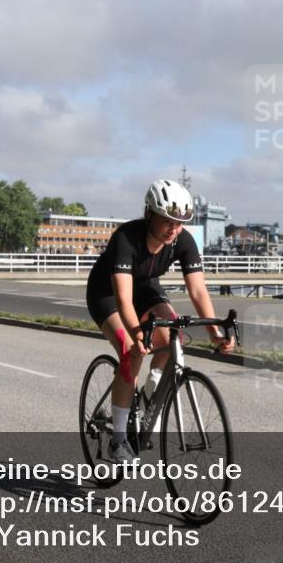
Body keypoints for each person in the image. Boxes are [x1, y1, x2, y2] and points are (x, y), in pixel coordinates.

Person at [85, 179, 235, 463]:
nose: (174, 229)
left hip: (146, 288)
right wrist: (138, 335)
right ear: (149, 214)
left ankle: (144, 400)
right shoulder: (126, 238)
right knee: (131, 351)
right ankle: (118, 440)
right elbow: (123, 301)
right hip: (108, 294)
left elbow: (198, 290)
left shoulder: (182, 240)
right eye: (168, 221)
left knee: (173, 334)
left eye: (180, 223)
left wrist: (214, 332)